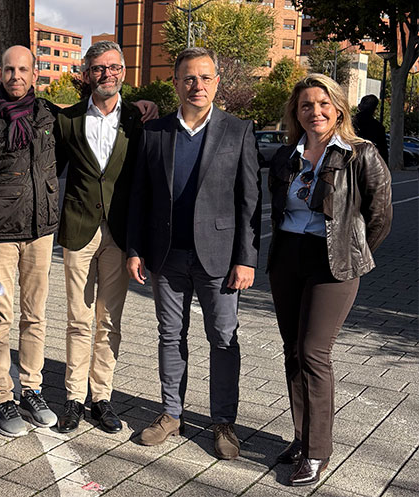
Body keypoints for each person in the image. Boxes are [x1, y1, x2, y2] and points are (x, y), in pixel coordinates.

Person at [127, 47, 261, 460]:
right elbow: (140, 197)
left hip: (219, 260)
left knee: (222, 338)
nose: (197, 85)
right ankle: (170, 413)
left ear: (217, 82)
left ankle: (223, 421)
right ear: (176, 83)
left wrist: (247, 258)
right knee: (170, 335)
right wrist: (135, 250)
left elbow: (249, 201)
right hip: (166, 257)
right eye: (188, 78)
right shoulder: (155, 132)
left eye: (205, 77)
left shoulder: (238, 130)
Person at [267, 74, 391, 486]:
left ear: (338, 108)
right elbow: (277, 209)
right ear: (296, 112)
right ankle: (301, 438)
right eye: (306, 105)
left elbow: (380, 215)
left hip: (333, 263)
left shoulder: (360, 153)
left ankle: (318, 452)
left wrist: (352, 252)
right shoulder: (287, 155)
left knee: (314, 353)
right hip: (287, 256)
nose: (314, 112)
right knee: (292, 352)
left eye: (323, 104)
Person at [55, 40, 145, 434]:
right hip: (78, 229)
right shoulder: (68, 119)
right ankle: (74, 397)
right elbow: (51, 170)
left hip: (121, 231)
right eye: (98, 68)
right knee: (78, 318)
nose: (106, 74)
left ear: (123, 71)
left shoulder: (140, 121)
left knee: (110, 321)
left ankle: (101, 397)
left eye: (113, 67)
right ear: (86, 73)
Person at [0, 46, 60, 436]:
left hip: (41, 235)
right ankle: (1, 397)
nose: (16, 76)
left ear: (35, 74)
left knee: (35, 316)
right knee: (1, 318)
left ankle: (32, 389)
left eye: (23, 69)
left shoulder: (50, 116)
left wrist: (139, 106)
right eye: (9, 69)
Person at [352, 94, 388, 163]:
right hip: (371, 162)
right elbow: (383, 153)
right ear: (374, 109)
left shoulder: (349, 123)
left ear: (359, 107)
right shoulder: (378, 127)